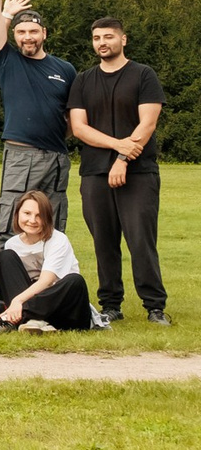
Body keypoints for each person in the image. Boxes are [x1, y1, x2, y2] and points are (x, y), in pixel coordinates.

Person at [66, 16, 169, 326]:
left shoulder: (143, 75)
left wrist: (123, 159)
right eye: (97, 38)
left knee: (141, 241)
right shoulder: (84, 80)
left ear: (123, 40)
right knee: (104, 242)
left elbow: (147, 123)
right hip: (94, 173)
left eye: (108, 37)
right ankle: (111, 305)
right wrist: (118, 147)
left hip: (139, 174)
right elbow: (79, 128)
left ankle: (154, 306)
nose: (102, 43)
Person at [0, 0, 76, 233]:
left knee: (52, 225)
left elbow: (72, 119)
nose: (27, 37)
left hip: (57, 157)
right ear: (15, 35)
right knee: (11, 223)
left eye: (33, 31)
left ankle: (50, 278)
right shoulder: (6, 60)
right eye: (21, 32)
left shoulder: (65, 69)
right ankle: (8, 278)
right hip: (21, 155)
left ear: (44, 33)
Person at [0, 189, 93, 333]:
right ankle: (34, 322)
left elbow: (47, 281)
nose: (32, 220)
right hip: (33, 309)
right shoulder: (12, 244)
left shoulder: (58, 240)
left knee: (76, 281)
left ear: (48, 218)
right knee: (6, 256)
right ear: (17, 213)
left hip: (66, 312)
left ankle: (7, 320)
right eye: (27, 213)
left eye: (39, 215)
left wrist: (17, 302)